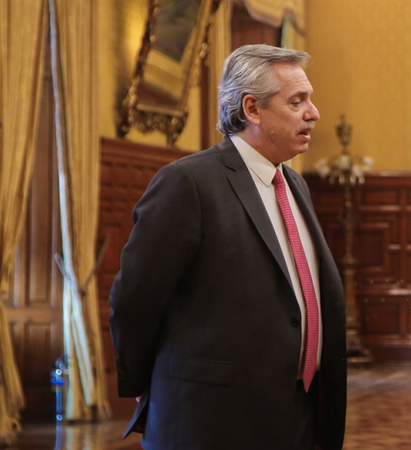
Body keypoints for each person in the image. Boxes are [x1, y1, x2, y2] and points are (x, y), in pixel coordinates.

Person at [108, 44, 347, 450]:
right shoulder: (188, 183)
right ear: (252, 109)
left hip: (299, 415)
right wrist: (151, 383)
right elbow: (135, 299)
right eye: (297, 101)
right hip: (211, 420)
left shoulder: (295, 185)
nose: (314, 113)